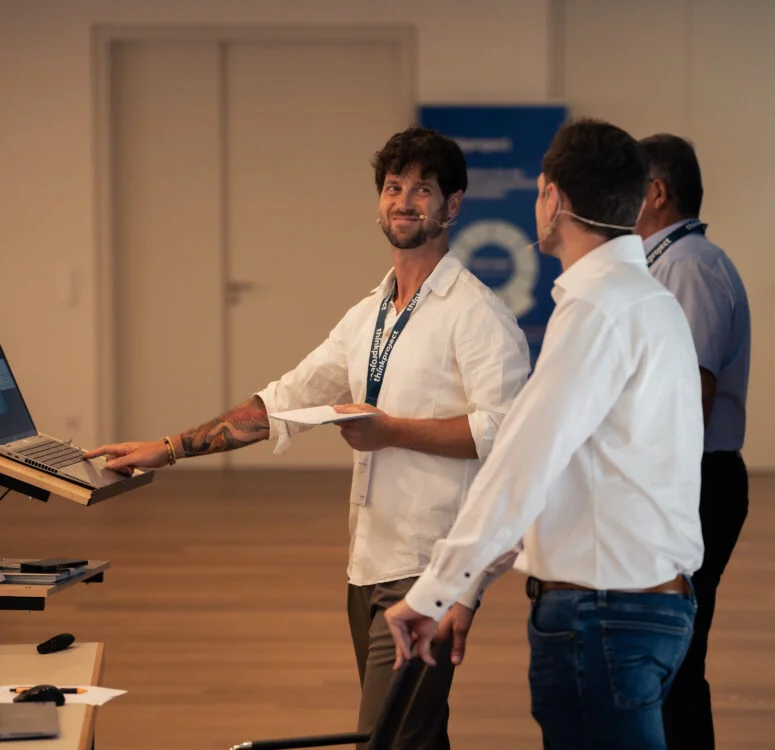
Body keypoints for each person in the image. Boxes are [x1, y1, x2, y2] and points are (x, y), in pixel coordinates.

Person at [86, 126, 531, 750]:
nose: (404, 202)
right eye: (393, 187)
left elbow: (506, 432)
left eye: (422, 189)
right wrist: (168, 448)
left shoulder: (477, 314)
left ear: (452, 204)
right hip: (367, 561)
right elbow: (283, 400)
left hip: (430, 566)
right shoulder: (368, 315)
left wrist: (390, 431)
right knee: (415, 737)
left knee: (387, 739)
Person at [384, 119, 705, 750]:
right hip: (653, 608)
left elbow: (522, 463)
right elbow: (562, 472)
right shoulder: (650, 300)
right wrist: (465, 584)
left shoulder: (598, 308)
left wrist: (435, 591)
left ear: (552, 199)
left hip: (605, 615)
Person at [635, 133, 751, 750]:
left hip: (692, 482)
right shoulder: (669, 262)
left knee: (674, 663)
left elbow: (690, 398)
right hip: (682, 479)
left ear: (656, 192)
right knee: (664, 660)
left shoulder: (688, 267)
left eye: (628, 185)